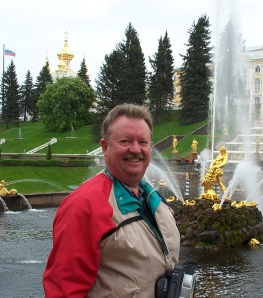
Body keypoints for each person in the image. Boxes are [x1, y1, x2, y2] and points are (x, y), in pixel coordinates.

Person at [43, 103, 180, 297]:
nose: (135, 149)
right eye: (125, 141)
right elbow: (64, 291)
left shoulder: (155, 200)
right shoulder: (83, 205)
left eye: (143, 142)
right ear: (105, 147)